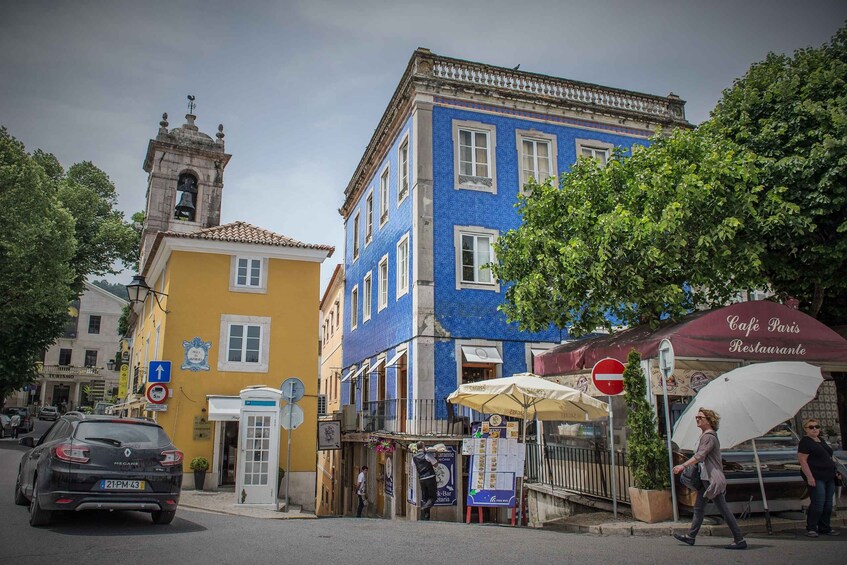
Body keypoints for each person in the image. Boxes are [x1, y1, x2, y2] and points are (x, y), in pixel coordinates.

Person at [672, 408, 747, 550]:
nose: (697, 419)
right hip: (704, 478)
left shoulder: (709, 437)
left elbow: (700, 456)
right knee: (699, 508)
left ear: (709, 420)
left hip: (711, 479)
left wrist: (683, 465)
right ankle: (691, 536)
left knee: (723, 509)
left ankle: (739, 539)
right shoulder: (705, 435)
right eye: (697, 417)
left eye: (700, 417)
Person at [798, 418, 840, 537]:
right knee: (818, 503)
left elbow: (829, 456)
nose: (815, 429)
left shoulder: (821, 440)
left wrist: (835, 471)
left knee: (828, 503)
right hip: (816, 476)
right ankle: (811, 527)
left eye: (817, 426)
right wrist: (809, 477)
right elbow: (802, 460)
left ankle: (825, 527)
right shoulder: (805, 442)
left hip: (829, 475)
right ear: (805, 429)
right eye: (811, 427)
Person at [412, 441, 438, 520]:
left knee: (425, 498)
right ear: (423, 447)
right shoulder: (427, 454)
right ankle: (424, 508)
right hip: (430, 477)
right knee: (433, 497)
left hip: (422, 479)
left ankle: (425, 517)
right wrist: (437, 456)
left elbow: (413, 466)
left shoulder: (414, 457)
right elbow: (436, 464)